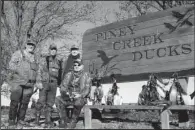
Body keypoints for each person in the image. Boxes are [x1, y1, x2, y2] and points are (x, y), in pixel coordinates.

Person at [7, 39, 43, 128]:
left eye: (32, 45)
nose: (31, 46)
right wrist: (19, 71)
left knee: (24, 103)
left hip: (29, 84)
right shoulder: (18, 53)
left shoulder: (35, 57)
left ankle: (20, 120)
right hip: (18, 83)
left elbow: (38, 71)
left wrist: (38, 81)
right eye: (29, 44)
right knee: (15, 102)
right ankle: (11, 121)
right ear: (26, 45)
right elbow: (11, 65)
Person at [32, 44, 62, 128]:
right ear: (49, 50)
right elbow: (39, 71)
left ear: (56, 51)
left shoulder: (58, 62)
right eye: (52, 49)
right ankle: (36, 121)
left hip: (54, 84)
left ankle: (48, 121)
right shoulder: (44, 60)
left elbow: (60, 74)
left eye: (54, 49)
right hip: (44, 83)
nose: (53, 51)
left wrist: (59, 84)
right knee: (41, 102)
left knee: (50, 103)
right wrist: (38, 82)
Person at [55, 59, 91, 129]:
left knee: (78, 102)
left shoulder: (86, 75)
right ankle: (63, 120)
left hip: (81, 97)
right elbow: (63, 86)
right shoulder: (68, 75)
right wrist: (66, 93)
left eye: (78, 65)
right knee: (58, 99)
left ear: (82, 66)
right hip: (69, 97)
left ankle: (73, 121)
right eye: (75, 65)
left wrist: (80, 95)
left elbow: (87, 89)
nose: (76, 66)